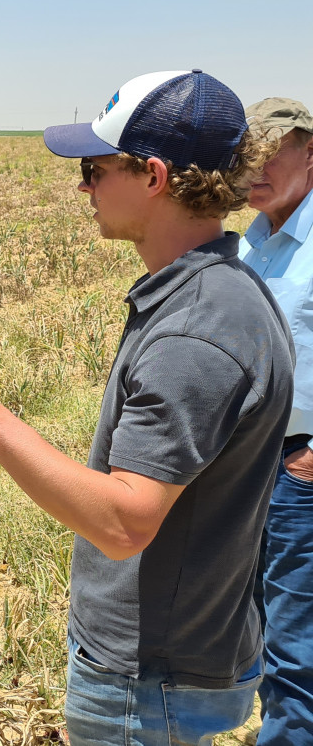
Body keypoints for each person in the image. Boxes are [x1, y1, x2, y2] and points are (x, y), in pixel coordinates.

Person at [0, 70, 289, 744]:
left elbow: (124, 521)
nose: (83, 187)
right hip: (181, 658)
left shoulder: (193, 331)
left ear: (154, 177)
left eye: (95, 168)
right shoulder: (225, 290)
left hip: (147, 682)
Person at [236, 97, 313, 745]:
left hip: (301, 468)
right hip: (251, 463)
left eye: (270, 151)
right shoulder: (253, 243)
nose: (253, 165)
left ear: (310, 152)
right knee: (259, 630)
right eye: (246, 152)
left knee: (295, 650)